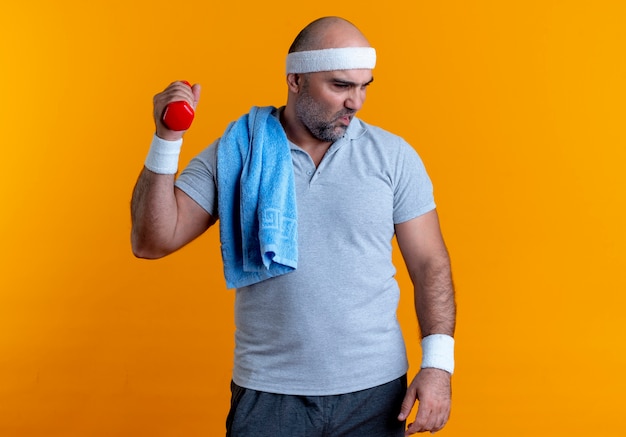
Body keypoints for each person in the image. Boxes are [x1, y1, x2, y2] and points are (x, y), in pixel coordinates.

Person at [131, 16, 456, 436]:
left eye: (364, 86)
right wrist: (166, 138)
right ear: (295, 80)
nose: (355, 102)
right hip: (268, 394)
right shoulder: (239, 152)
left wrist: (437, 366)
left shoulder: (393, 157)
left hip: (376, 394)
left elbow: (430, 263)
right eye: (340, 85)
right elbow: (151, 241)